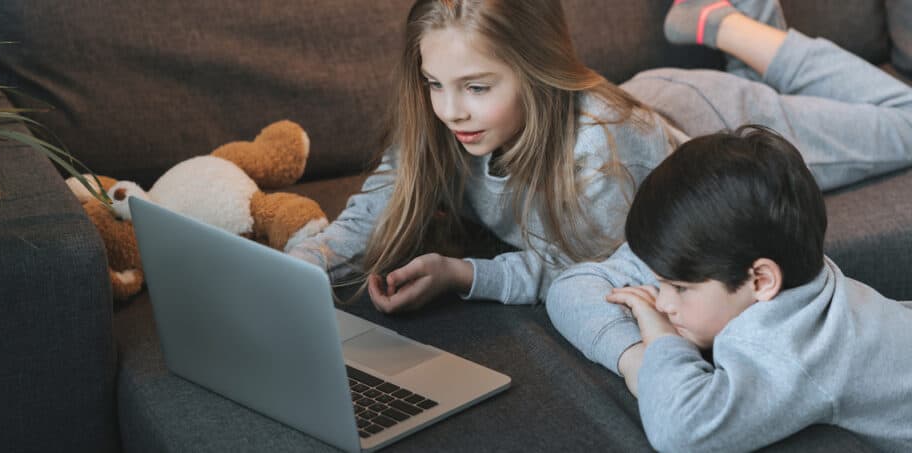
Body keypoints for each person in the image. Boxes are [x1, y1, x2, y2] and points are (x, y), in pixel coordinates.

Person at [288, 0, 912, 373]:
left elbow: (592, 272)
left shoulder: (598, 153)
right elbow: (369, 211)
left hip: (713, 132)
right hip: (650, 116)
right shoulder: (444, 121)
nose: (451, 110)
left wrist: (469, 276)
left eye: (477, 87)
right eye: (434, 83)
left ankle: (726, 23)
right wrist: (290, 270)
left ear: (538, 74)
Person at [594, 125, 912, 452]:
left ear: (761, 280)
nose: (662, 303)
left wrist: (661, 336)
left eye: (679, 288)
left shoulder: (790, 353)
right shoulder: (801, 271)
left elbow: (679, 430)